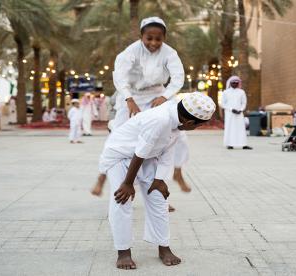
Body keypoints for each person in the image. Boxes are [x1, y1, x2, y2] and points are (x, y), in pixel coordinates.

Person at [96, 93, 215, 269]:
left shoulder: (177, 119)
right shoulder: (161, 119)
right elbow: (140, 152)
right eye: (199, 126)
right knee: (122, 199)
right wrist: (128, 183)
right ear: (190, 123)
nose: (197, 128)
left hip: (147, 157)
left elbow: (167, 151)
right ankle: (123, 252)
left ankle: (163, 248)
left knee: (159, 198)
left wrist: (160, 179)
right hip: (120, 155)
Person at [93, 16, 191, 203]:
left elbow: (178, 78)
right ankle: (102, 176)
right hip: (131, 96)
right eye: (149, 38)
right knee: (117, 137)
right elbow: (120, 77)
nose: (153, 43)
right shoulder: (130, 52)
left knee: (178, 136)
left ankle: (175, 174)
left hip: (159, 95)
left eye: (158, 39)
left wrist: (164, 97)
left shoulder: (170, 53)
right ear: (141, 36)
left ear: (164, 38)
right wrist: (129, 99)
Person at [221, 76, 252, 150]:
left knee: (241, 128)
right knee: (230, 128)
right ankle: (229, 144)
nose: (235, 84)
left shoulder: (241, 92)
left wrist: (241, 109)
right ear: (230, 83)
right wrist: (231, 109)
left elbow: (244, 103)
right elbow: (223, 104)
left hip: (239, 113)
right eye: (233, 82)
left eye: (236, 82)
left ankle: (243, 144)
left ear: (238, 83)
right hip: (229, 113)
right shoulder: (226, 92)